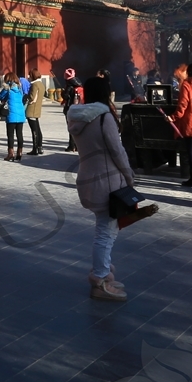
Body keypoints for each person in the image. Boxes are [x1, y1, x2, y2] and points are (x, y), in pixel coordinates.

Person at [67, 95, 140, 302]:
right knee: (105, 233)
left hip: (88, 179)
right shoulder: (103, 117)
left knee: (106, 228)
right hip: (108, 182)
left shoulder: (76, 117)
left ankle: (104, 269)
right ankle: (100, 279)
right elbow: (117, 150)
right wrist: (128, 175)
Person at [0, 70, 27, 161]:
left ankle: (11, 153)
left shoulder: (7, 88)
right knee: (19, 134)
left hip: (11, 115)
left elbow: (0, 97)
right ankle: (19, 153)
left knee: (10, 135)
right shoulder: (20, 88)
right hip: (21, 114)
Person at [23, 67, 50, 155]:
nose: (28, 77)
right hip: (37, 109)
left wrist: (26, 96)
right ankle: (40, 147)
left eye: (30, 75)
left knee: (34, 130)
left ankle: (35, 149)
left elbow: (32, 97)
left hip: (32, 109)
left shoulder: (34, 85)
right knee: (38, 129)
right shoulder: (41, 84)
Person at [59, 67, 82, 151]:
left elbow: (66, 96)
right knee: (76, 127)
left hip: (70, 108)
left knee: (70, 127)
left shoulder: (69, 85)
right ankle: (77, 145)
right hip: (78, 108)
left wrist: (62, 92)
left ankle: (71, 145)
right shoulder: (78, 83)